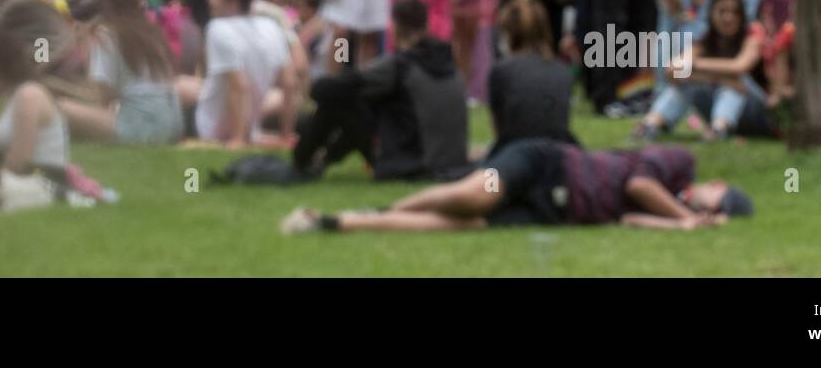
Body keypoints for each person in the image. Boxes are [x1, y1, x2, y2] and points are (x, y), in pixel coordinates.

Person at [280, 139, 752, 234]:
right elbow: (638, 186)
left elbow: (630, 217)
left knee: (467, 226)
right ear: (716, 184)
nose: (710, 205)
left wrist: (683, 229)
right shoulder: (678, 163)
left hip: (561, 211)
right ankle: (383, 206)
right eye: (719, 200)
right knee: (475, 195)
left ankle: (339, 224)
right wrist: (688, 214)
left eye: (718, 209)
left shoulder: (678, 213)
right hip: (547, 163)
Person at [292, 0, 469, 181]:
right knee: (350, 99)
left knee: (338, 99)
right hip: (451, 160)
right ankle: (323, 158)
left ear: (394, 27)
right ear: (426, 25)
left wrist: (344, 72)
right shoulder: (450, 64)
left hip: (408, 163)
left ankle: (302, 163)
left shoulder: (399, 65)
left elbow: (324, 88)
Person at [174, 0, 296, 146]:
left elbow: (239, 85)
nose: (209, 1)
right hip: (251, 125)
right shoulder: (271, 26)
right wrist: (286, 134)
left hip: (209, 129)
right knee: (187, 84)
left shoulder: (218, 28)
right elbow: (289, 82)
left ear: (233, 2)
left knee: (173, 87)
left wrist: (237, 139)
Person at [635, 0, 774, 141]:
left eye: (734, 12)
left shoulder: (752, 36)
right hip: (720, 104)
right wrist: (717, 78)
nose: (728, 17)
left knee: (734, 85)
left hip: (757, 110)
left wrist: (694, 67)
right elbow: (671, 70)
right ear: (711, 14)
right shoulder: (705, 42)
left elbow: (738, 67)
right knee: (686, 83)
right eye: (722, 11)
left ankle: (718, 129)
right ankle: (651, 124)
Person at [58, 0, 183, 145]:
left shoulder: (106, 34)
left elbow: (102, 95)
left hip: (139, 127)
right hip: (172, 124)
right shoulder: (152, 32)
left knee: (61, 107)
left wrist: (86, 42)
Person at [0, 0, 72, 179]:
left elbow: (43, 54)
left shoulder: (28, 2)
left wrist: (34, 70)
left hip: (37, 61)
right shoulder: (17, 1)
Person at [488, 0, 579, 153]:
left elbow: (500, 130)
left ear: (510, 33)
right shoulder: (562, 71)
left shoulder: (503, 71)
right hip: (559, 154)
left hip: (518, 153)